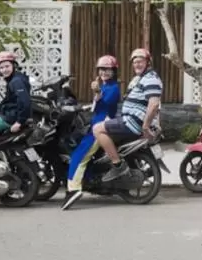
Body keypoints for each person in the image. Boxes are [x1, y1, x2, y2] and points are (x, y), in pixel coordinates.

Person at [93, 48, 162, 182]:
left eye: (140, 61)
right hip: (129, 119)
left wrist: (146, 127)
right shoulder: (140, 78)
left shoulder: (151, 79)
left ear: (148, 63)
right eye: (135, 62)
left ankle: (118, 165)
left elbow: (154, 104)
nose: (137, 64)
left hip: (132, 122)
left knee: (97, 129)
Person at [63, 55, 121, 210]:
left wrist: (97, 93)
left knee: (79, 156)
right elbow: (98, 106)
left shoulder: (113, 88)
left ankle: (73, 189)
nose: (104, 72)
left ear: (114, 71)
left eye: (108, 70)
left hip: (100, 127)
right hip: (96, 122)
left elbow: (107, 104)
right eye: (102, 69)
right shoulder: (105, 86)